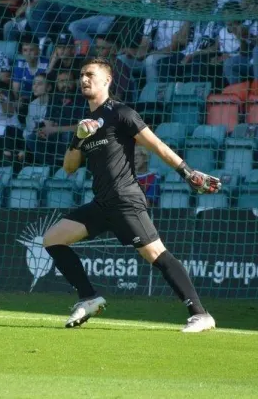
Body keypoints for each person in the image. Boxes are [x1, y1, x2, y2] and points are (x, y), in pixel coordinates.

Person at [42, 57, 221, 331]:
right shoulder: (86, 124)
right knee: (52, 239)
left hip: (125, 200)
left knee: (157, 254)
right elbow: (68, 167)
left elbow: (157, 146)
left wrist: (188, 173)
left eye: (90, 74)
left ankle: (200, 314)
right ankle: (88, 298)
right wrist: (78, 137)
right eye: (82, 75)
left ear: (107, 80)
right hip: (102, 204)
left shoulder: (121, 113)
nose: (84, 79)